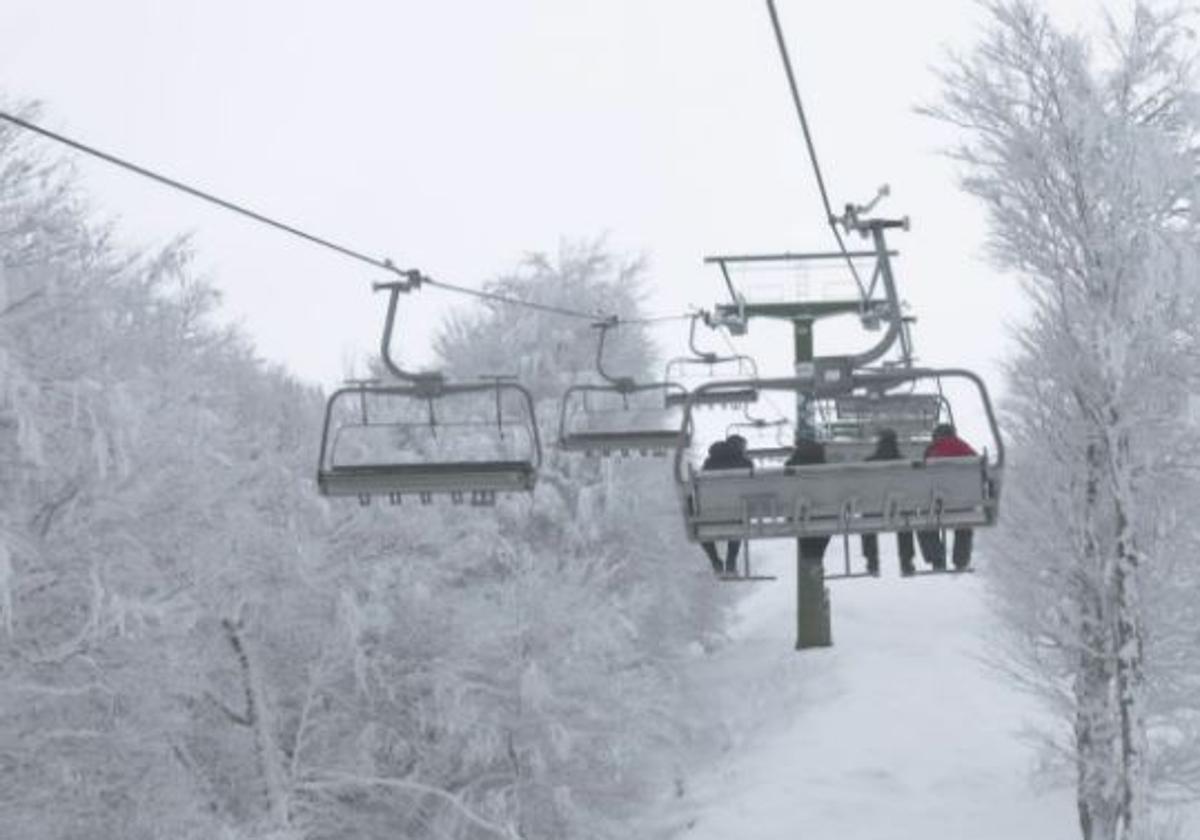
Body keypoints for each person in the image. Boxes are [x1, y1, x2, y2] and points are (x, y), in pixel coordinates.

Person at [917, 423, 977, 571]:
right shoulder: (965, 448)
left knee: (925, 523)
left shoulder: (932, 450)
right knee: (964, 525)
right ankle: (961, 560)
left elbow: (924, 476)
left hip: (938, 502)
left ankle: (936, 558)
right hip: (964, 502)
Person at [860, 428, 916, 576]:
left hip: (873, 510)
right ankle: (906, 561)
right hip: (899, 508)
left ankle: (872, 561)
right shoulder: (905, 463)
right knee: (905, 517)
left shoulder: (867, 463)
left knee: (867, 518)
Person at [700, 434, 753, 575]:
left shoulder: (709, 463)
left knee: (702, 531)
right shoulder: (745, 463)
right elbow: (752, 487)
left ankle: (715, 560)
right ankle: (731, 562)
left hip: (709, 512)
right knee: (738, 525)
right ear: (740, 447)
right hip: (736, 511)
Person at [785, 431, 831, 567]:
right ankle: (815, 555)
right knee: (822, 521)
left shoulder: (790, 465)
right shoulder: (826, 466)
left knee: (802, 521)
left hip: (798, 512)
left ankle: (812, 556)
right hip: (824, 511)